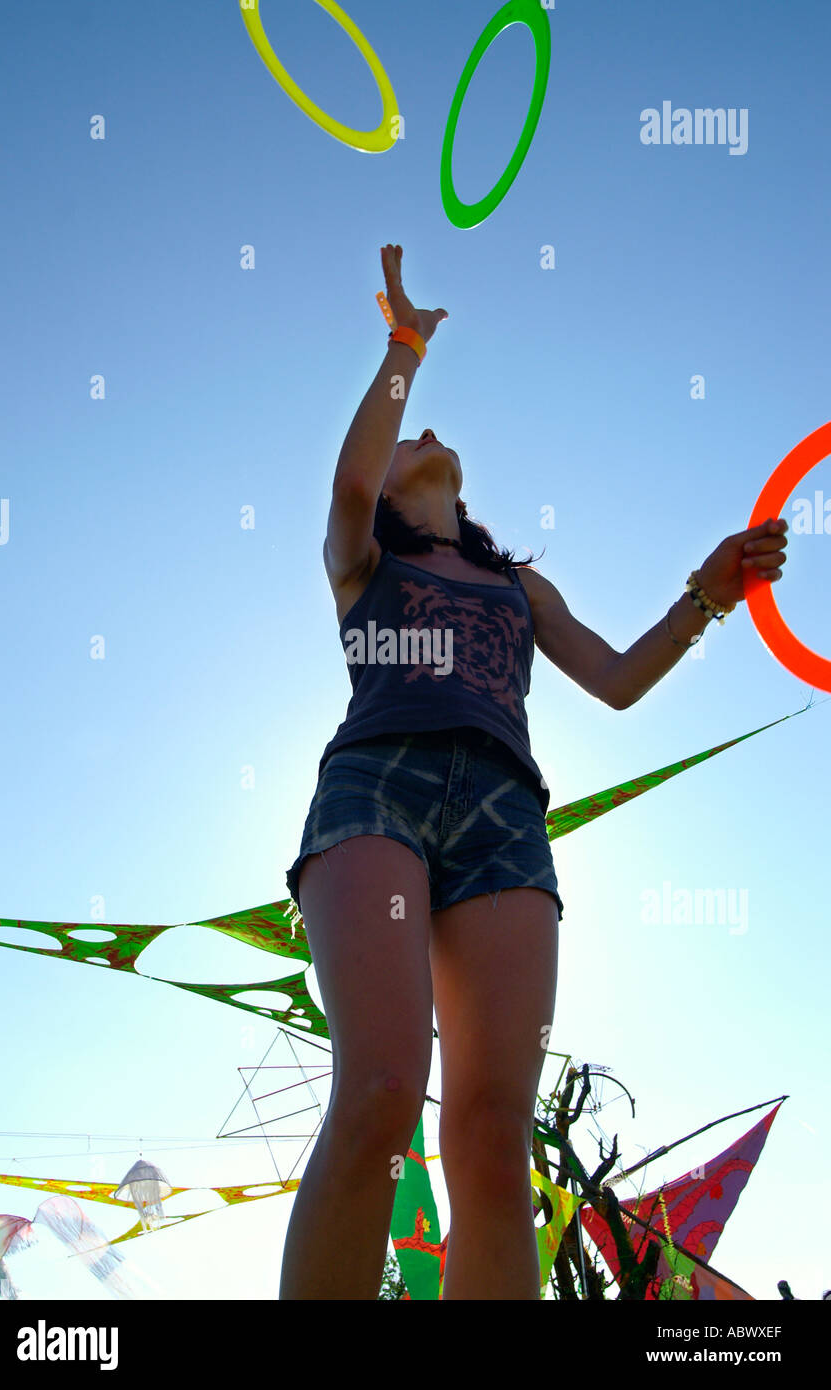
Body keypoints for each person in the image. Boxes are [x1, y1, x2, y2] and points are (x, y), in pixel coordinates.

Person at [278, 245, 789, 1300]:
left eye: (427, 429)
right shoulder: (365, 558)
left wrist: (710, 591)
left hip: (507, 817)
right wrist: (404, 348)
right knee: (379, 1087)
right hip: (380, 786)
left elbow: (613, 677)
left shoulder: (514, 582)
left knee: (494, 1134)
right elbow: (348, 477)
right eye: (409, 435)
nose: (422, 434)